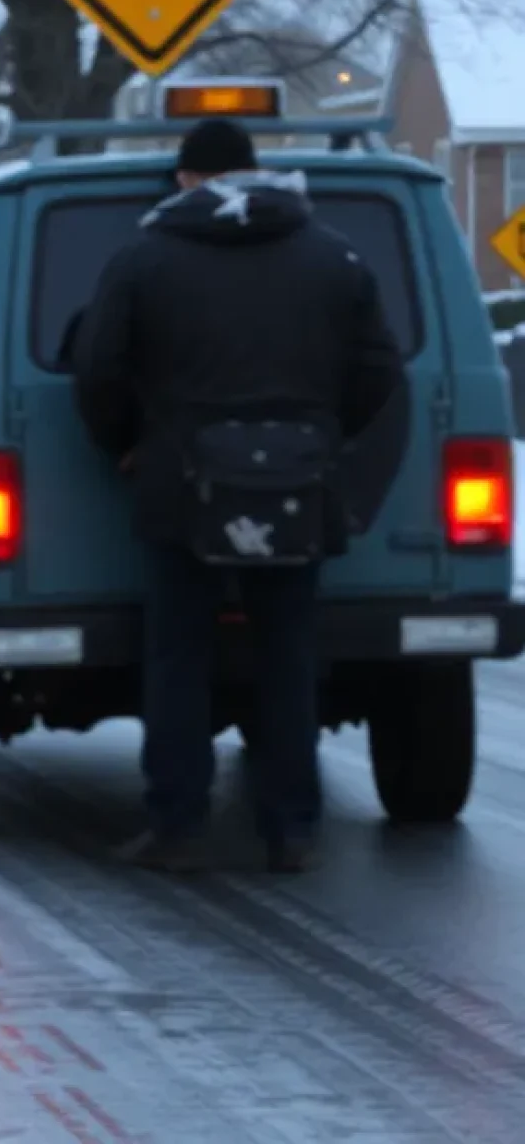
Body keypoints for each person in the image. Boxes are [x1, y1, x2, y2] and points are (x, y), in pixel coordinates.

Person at [72, 117, 405, 874]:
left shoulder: (144, 258)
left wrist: (127, 442)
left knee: (178, 657)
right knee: (289, 654)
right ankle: (291, 827)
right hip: (298, 482)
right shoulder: (333, 256)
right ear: (256, 172)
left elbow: (98, 368)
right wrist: (323, 432)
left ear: (187, 180)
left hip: (179, 483)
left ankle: (177, 822)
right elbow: (381, 368)